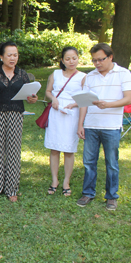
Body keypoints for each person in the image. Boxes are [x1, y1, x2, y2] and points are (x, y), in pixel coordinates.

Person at [76, 43, 131, 211]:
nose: (97, 64)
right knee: (89, 162)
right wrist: (81, 124)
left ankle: (111, 196)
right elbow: (84, 102)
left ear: (110, 57)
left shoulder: (123, 73)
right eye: (94, 60)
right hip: (91, 125)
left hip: (111, 126)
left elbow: (128, 99)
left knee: (111, 163)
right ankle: (88, 193)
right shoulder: (90, 76)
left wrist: (108, 105)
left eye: (100, 59)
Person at [0, 41, 38, 202]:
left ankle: (12, 188)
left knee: (13, 151)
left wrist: (33, 98)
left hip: (16, 114)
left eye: (15, 55)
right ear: (1, 57)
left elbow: (31, 97)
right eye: (9, 55)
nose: (13, 58)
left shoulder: (22, 74)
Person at [44, 47, 86, 196]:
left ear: (78, 58)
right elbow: (48, 91)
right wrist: (54, 99)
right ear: (62, 60)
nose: (71, 61)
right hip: (56, 114)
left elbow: (85, 99)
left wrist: (74, 104)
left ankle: (66, 181)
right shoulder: (55, 74)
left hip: (71, 115)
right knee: (54, 149)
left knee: (69, 150)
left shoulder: (83, 77)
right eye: (67, 59)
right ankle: (54, 180)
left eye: (74, 58)